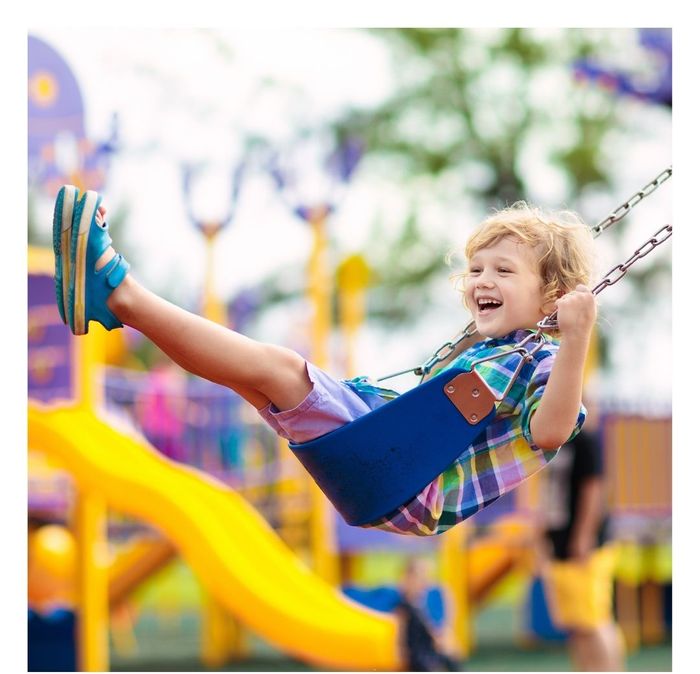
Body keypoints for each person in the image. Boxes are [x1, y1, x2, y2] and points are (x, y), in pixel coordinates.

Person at [53, 185, 596, 536]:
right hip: (385, 461)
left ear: (553, 297)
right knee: (249, 375)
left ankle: (119, 292)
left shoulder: (543, 362)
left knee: (278, 369)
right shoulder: (488, 353)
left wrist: (575, 339)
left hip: (406, 480)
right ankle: (114, 305)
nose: (483, 280)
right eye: (476, 269)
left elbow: (550, 432)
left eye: (504, 271)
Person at [538, 400, 626, 671]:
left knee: (594, 619)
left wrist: (584, 536)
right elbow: (552, 493)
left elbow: (594, 489)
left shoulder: (585, 441)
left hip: (584, 544)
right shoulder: (553, 445)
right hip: (561, 541)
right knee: (577, 623)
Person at [394, 558, 460, 671]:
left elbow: (445, 618)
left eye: (426, 577)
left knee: (449, 653)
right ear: (409, 578)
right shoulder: (404, 603)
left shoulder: (430, 596)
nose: (425, 581)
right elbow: (402, 630)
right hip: (418, 651)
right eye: (421, 577)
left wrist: (443, 634)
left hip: (429, 646)